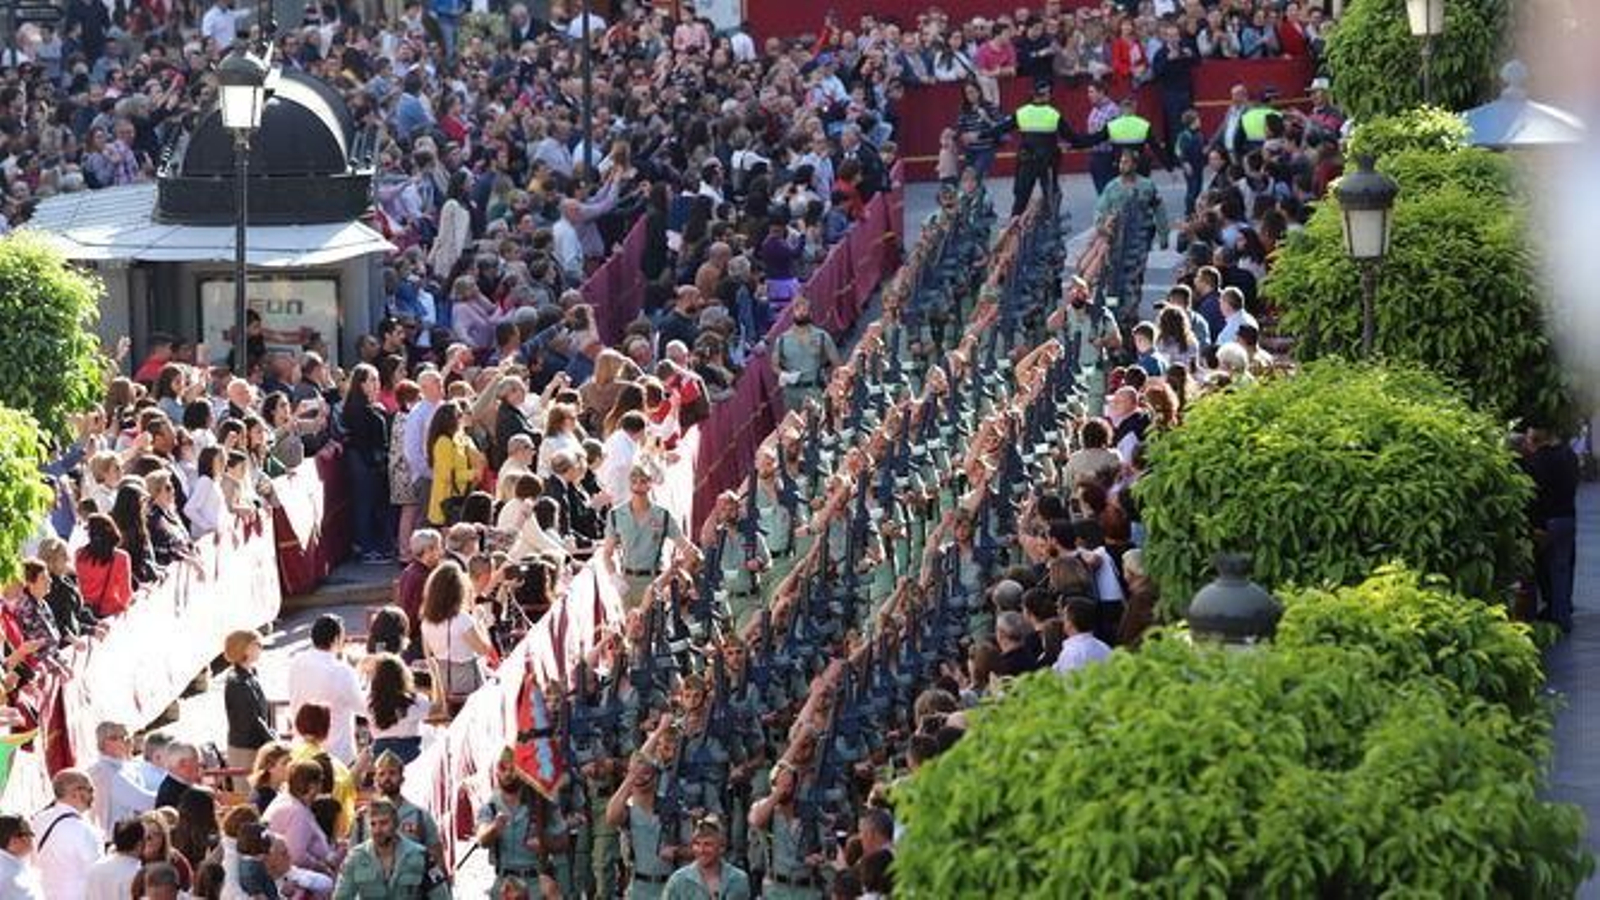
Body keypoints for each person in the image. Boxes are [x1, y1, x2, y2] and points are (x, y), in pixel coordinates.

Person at [601, 464, 685, 609]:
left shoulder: (662, 515)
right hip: (628, 581)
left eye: (643, 481)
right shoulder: (616, 515)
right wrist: (615, 578)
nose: (638, 486)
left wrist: (674, 572)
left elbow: (685, 546)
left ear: (650, 484)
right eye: (634, 482)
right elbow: (607, 553)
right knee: (632, 628)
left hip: (654, 579)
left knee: (654, 628)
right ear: (629, 485)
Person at [285, 614, 366, 764]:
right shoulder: (342, 671)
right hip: (336, 754)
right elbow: (363, 708)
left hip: (302, 751)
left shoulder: (296, 662)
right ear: (336, 639)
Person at [333, 798, 448, 899]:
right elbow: (341, 896)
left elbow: (441, 895)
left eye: (384, 823)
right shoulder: (355, 858)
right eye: (373, 824)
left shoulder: (421, 855)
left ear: (396, 824)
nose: (378, 830)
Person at [1524, 424, 1580, 633]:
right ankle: (1562, 613)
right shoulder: (1569, 455)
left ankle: (1556, 615)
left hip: (1547, 521)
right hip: (1568, 517)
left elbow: (1536, 497)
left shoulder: (1538, 461)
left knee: (1546, 569)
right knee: (1563, 569)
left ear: (1536, 438)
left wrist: (1536, 525)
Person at [350, 751, 443, 867]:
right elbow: (352, 860)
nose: (387, 778)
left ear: (402, 778)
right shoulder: (362, 818)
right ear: (376, 779)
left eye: (392, 773)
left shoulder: (420, 816)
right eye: (382, 774)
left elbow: (436, 857)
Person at [420, 560, 493, 698]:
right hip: (469, 683)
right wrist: (480, 621)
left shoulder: (427, 620)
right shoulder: (462, 619)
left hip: (444, 684)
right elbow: (484, 649)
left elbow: (428, 655)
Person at [31, 769, 102, 900]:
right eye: (90, 790)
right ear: (76, 793)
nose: (94, 795)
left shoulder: (37, 820)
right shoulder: (85, 830)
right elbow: (97, 874)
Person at [262, 759, 340, 875]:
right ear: (313, 786)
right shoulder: (297, 813)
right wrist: (322, 867)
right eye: (320, 781)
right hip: (294, 877)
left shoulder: (288, 800)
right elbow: (296, 856)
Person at [222, 629, 275, 789]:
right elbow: (252, 719)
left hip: (254, 744)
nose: (260, 648)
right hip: (245, 748)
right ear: (244, 648)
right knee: (247, 796)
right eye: (256, 644)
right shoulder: (237, 682)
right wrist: (274, 742)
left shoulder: (250, 674)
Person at [772, 296, 841, 414]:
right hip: (791, 393)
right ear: (792, 313)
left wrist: (833, 385)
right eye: (797, 309)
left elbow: (837, 364)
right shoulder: (782, 339)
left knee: (817, 425)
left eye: (804, 309)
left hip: (814, 390)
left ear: (810, 312)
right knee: (794, 428)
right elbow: (774, 365)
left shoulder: (821, 336)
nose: (801, 312)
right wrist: (784, 375)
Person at [86, 721, 154, 834]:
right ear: (104, 743)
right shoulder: (105, 772)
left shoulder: (126, 766)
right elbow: (146, 801)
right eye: (121, 738)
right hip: (113, 841)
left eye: (128, 736)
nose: (128, 741)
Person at [663, 815, 751, 900]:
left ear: (721, 847)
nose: (701, 850)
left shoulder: (737, 879)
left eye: (707, 844)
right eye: (697, 844)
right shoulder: (678, 880)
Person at [367, 654, 432, 763]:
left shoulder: (370, 703)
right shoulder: (413, 702)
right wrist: (436, 674)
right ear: (402, 676)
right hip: (409, 755)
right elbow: (440, 708)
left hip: (379, 756)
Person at [1053, 597, 1113, 675]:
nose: (1062, 620)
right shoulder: (1105, 647)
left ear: (1070, 622)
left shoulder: (1070, 653)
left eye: (1064, 616)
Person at [0, 814, 42, 899]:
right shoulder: (9, 875)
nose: (32, 839)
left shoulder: (13, 863)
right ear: (13, 841)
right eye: (28, 834)